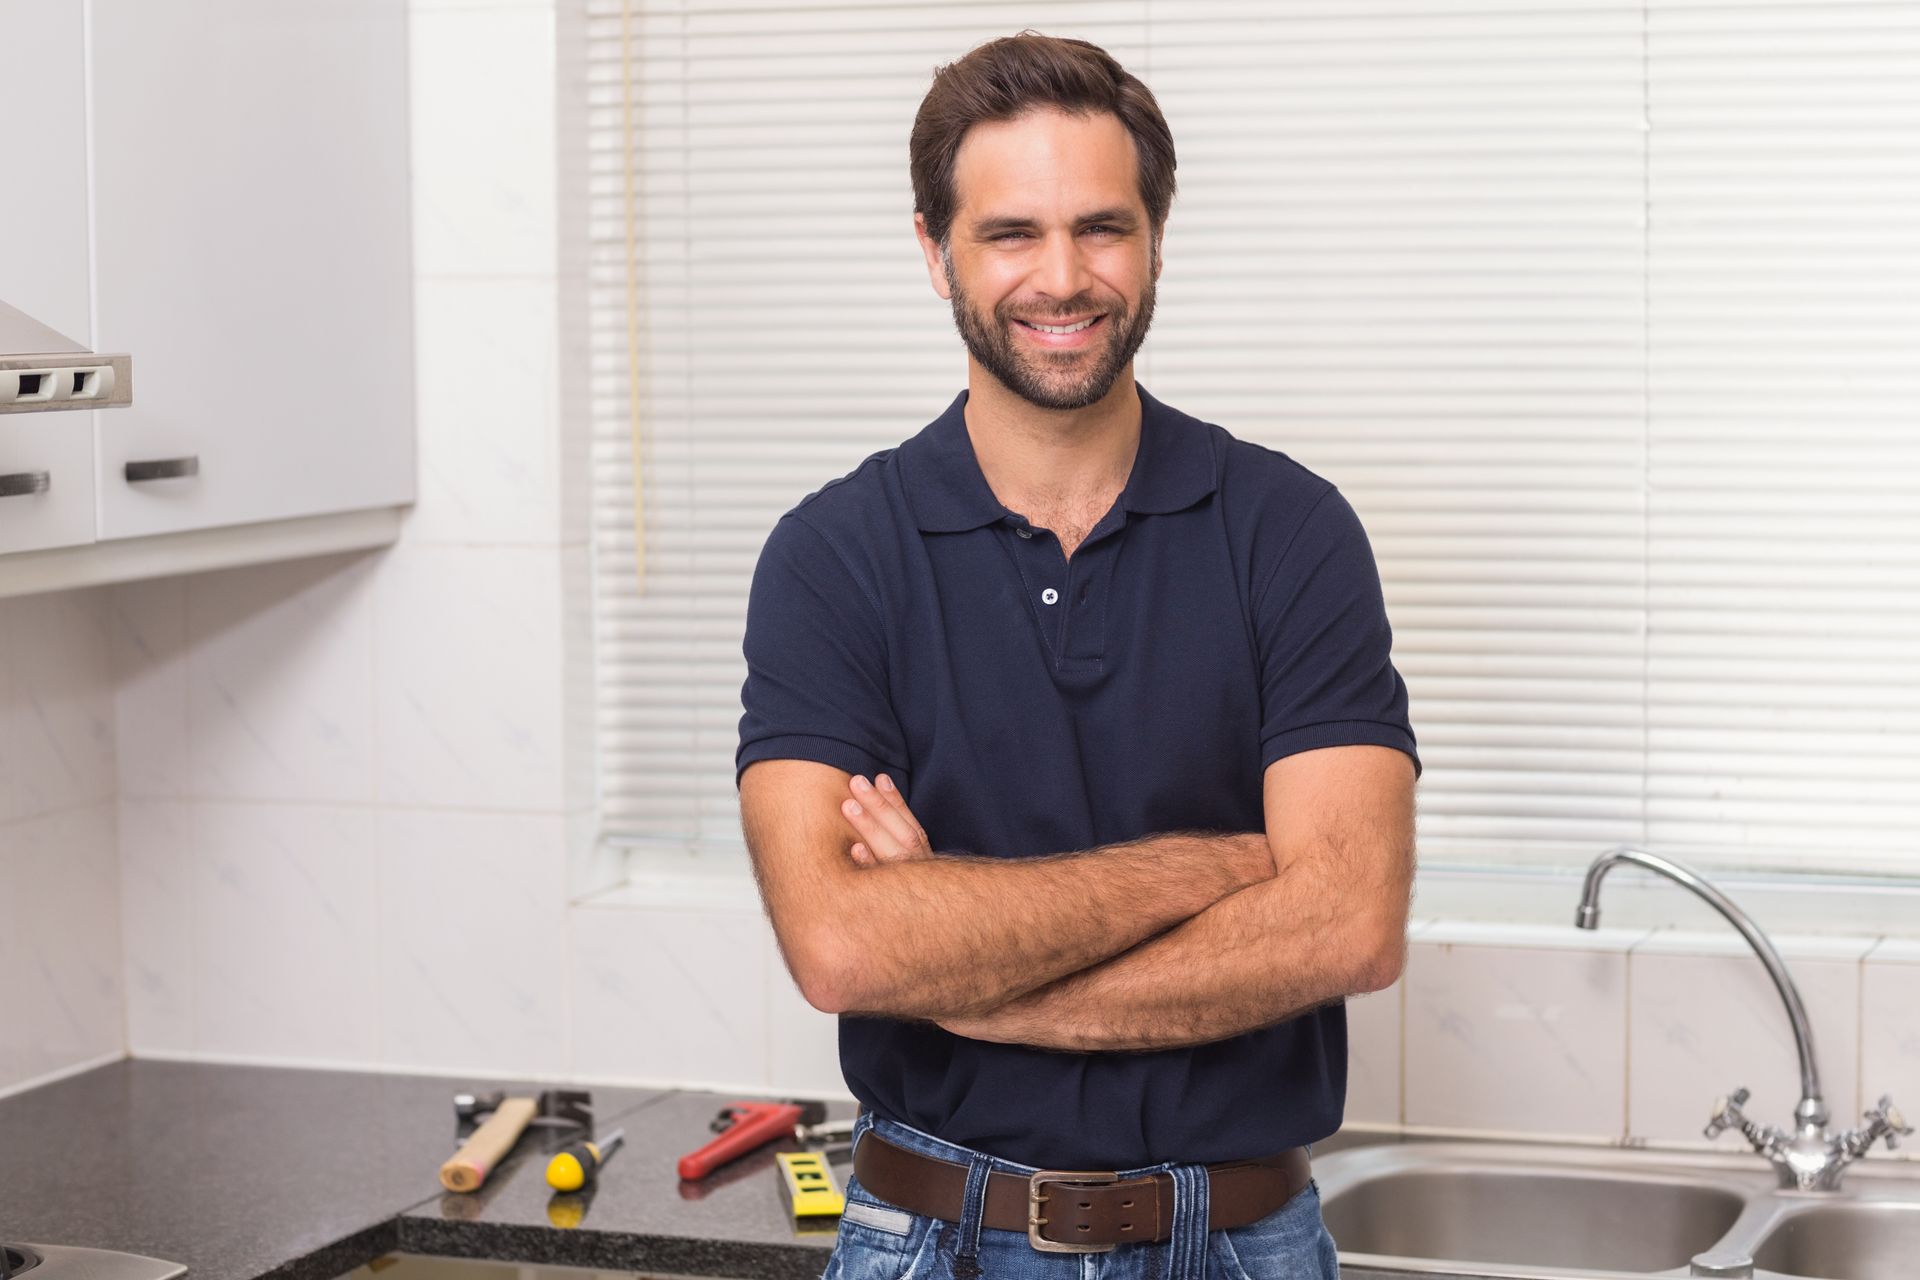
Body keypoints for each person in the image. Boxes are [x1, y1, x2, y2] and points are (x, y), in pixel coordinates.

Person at [734, 30, 1420, 1280]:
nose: (1063, 277)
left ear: (1156, 238)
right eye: (1011, 234)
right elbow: (842, 947)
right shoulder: (834, 556)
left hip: (1243, 1242)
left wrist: (961, 973)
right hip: (930, 1241)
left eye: (1103, 226)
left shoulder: (1290, 532)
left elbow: (1346, 926)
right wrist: (1216, 867)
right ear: (935, 250)